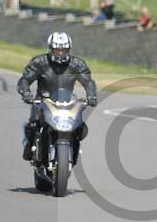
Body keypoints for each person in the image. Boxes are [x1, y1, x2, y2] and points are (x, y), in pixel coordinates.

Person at [17, 31, 98, 162]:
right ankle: (30, 146)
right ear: (51, 49)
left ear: (69, 49)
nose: (60, 53)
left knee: (80, 127)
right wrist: (26, 93)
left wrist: (91, 95)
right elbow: (25, 80)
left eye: (63, 50)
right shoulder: (39, 62)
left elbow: (88, 81)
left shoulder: (77, 64)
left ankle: (73, 148)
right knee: (32, 125)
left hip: (67, 103)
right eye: (57, 50)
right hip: (43, 101)